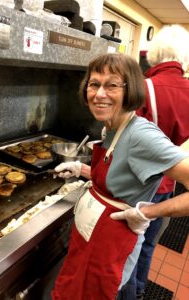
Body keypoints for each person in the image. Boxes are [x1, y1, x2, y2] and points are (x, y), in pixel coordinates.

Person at [51, 52, 189, 300]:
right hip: (91, 241)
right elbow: (120, 177)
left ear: (130, 91)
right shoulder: (112, 127)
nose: (100, 94)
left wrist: (146, 213)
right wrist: (81, 170)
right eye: (94, 84)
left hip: (112, 251)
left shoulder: (141, 135)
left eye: (112, 85)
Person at [116, 24, 189, 300]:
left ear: (155, 54)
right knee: (147, 247)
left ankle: (130, 294)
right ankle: (143, 291)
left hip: (138, 187)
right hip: (168, 185)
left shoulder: (144, 88)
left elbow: (127, 141)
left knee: (128, 249)